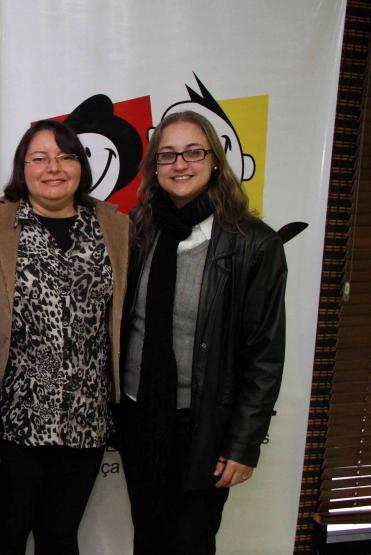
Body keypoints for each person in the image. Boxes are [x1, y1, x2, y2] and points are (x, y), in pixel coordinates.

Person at [118, 110, 287, 554]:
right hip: (142, 417)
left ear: (215, 160)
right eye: (167, 155)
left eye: (193, 152)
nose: (180, 164)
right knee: (147, 539)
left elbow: (265, 355)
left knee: (189, 543)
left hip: (203, 426)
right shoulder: (138, 230)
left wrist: (243, 443)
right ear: (154, 167)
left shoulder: (254, 244)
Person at [0, 119, 130, 555]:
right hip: (13, 417)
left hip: (86, 418)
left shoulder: (114, 227)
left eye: (65, 156)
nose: (53, 167)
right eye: (39, 158)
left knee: (61, 538)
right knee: (4, 535)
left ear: (81, 165)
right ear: (22, 169)